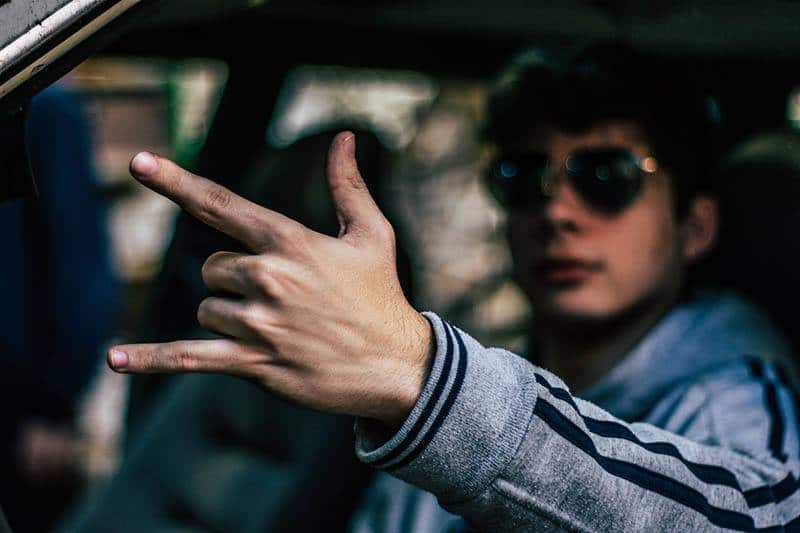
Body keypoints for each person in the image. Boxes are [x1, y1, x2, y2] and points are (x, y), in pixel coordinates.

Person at [107, 44, 800, 530]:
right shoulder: (491, 374)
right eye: (523, 178)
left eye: (606, 176)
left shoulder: (737, 404)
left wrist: (422, 377)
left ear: (696, 225)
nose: (557, 212)